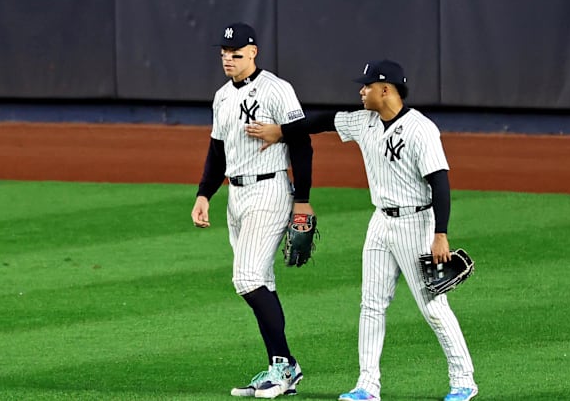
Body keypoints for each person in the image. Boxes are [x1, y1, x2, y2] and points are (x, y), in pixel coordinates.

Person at [245, 60, 478, 401]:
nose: (361, 90)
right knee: (371, 305)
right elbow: (322, 121)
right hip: (380, 223)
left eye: (367, 86)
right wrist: (281, 131)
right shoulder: (364, 120)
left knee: (433, 307)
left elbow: (439, 183)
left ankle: (463, 381)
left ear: (386, 90)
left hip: (417, 223)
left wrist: (440, 233)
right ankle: (368, 385)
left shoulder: (420, 129)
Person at [190, 22, 314, 399]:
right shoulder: (221, 96)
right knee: (263, 280)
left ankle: (285, 365)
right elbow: (217, 150)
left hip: (271, 189)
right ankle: (281, 369)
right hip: (237, 195)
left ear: (254, 52)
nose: (229, 58)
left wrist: (303, 198)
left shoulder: (278, 89)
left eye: (236, 53)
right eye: (224, 53)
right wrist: (204, 194)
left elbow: (301, 144)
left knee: (246, 278)